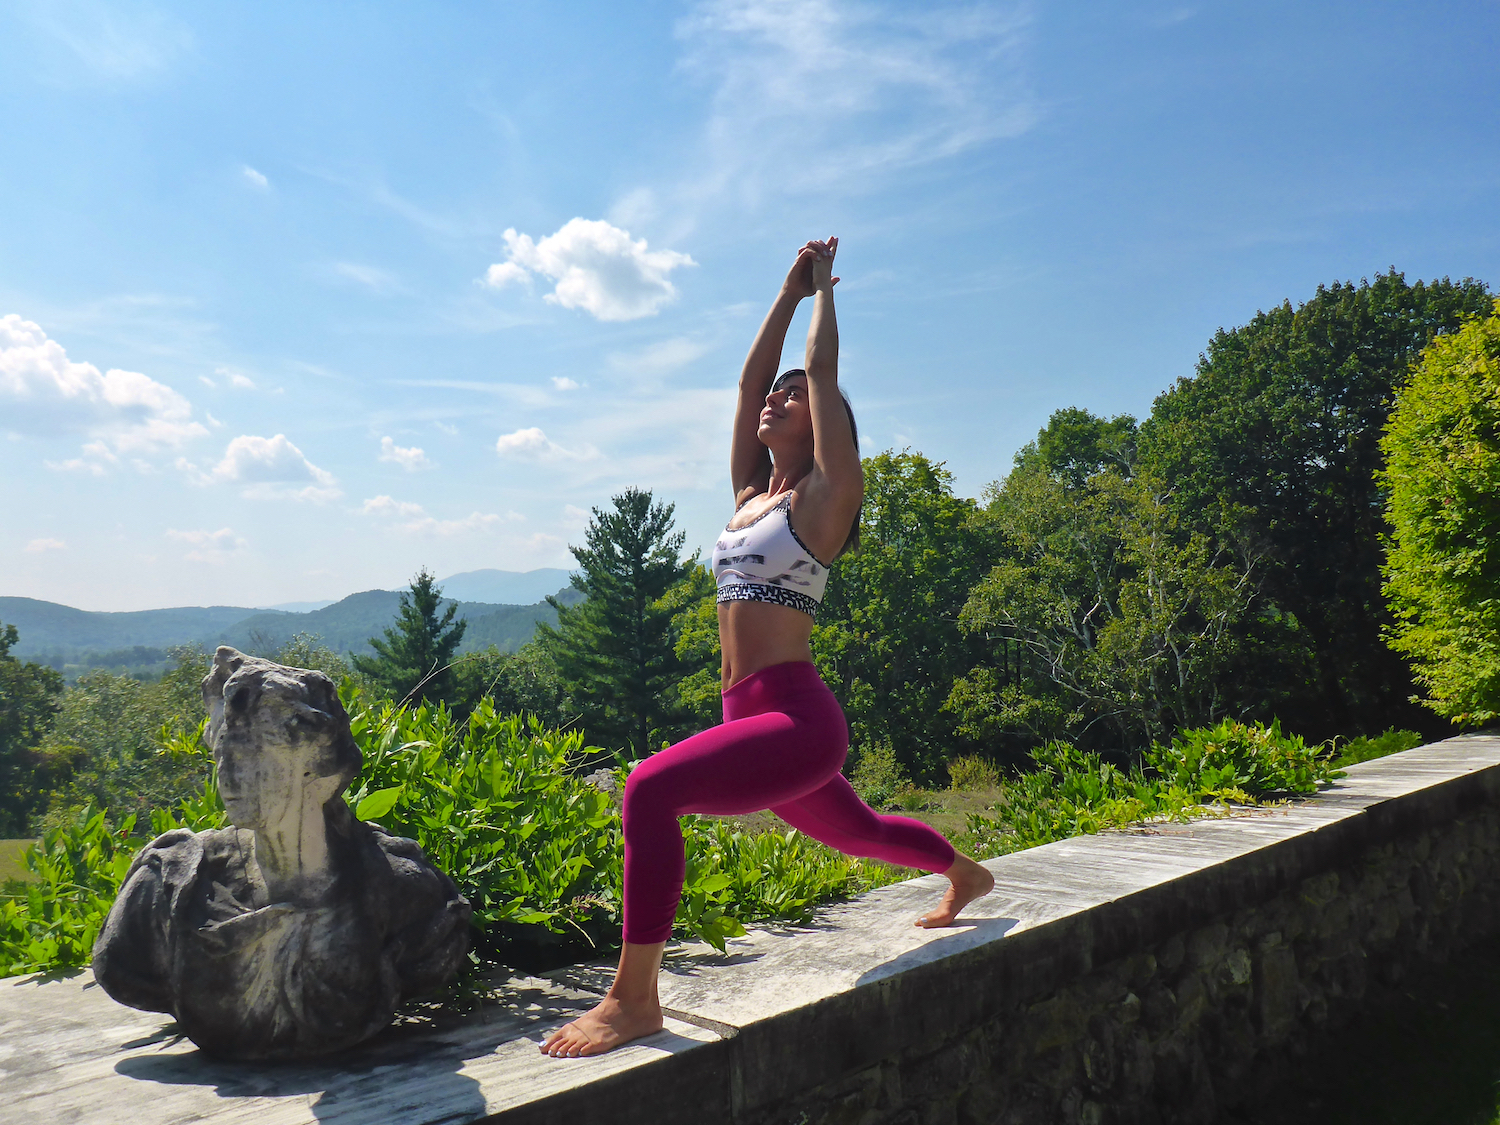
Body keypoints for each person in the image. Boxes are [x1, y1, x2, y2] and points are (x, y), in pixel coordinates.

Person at [540, 237, 994, 1059]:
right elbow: (750, 383)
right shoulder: (752, 495)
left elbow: (818, 370)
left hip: (795, 718)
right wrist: (783, 294)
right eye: (776, 394)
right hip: (747, 714)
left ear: (823, 420)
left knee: (647, 789)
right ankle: (965, 870)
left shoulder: (826, 498)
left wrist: (823, 294)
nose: (775, 398)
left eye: (794, 397)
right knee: (864, 832)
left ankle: (633, 1000)